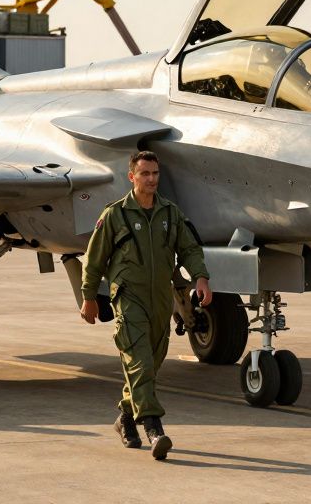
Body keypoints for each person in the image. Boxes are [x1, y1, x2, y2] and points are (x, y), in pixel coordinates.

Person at [81, 151, 211, 460]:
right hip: (129, 297)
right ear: (132, 177)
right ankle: (154, 428)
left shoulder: (170, 213)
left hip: (160, 299)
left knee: (150, 364)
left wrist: (201, 278)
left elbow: (189, 248)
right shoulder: (115, 215)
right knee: (138, 360)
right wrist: (88, 297)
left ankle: (125, 418)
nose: (151, 179)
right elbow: (95, 259)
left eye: (154, 173)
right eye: (145, 174)